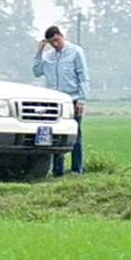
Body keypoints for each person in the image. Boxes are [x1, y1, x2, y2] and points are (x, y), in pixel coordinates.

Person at [33, 23, 89, 174]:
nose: (55, 45)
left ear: (61, 36)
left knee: (75, 134)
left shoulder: (76, 52)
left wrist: (82, 99)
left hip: (73, 98)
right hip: (55, 101)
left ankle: (77, 169)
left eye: (56, 41)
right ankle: (57, 170)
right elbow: (37, 72)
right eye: (51, 43)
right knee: (56, 134)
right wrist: (39, 51)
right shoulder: (48, 56)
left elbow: (83, 77)